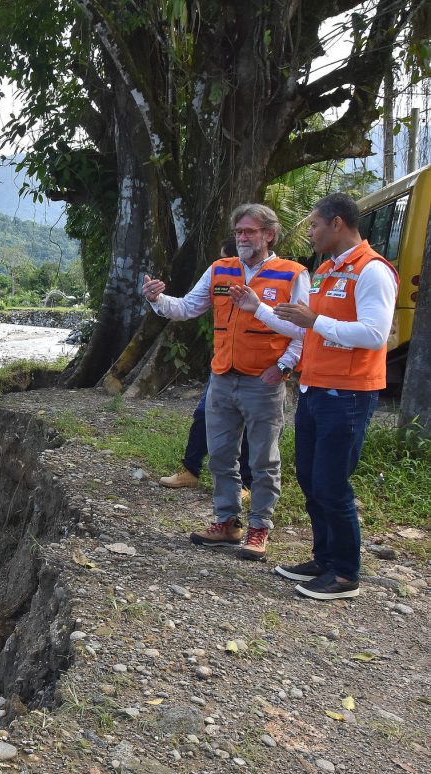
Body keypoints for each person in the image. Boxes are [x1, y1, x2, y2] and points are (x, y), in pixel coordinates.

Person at [230, 192, 397, 599]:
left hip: (349, 394)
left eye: (314, 225)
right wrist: (260, 311)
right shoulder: (325, 270)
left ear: (337, 223)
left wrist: (315, 319)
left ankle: (344, 575)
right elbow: (305, 329)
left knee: (331, 483)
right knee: (309, 477)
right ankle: (323, 558)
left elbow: (375, 334)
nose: (309, 232)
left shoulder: (372, 271)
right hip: (315, 389)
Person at [141, 204, 309, 561]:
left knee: (263, 460)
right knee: (220, 455)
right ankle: (227, 522)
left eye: (249, 231)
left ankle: (259, 528)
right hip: (222, 377)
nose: (242, 238)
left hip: (263, 381)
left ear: (269, 235)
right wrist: (158, 299)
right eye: (238, 232)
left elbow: (303, 330)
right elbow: (187, 307)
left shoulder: (292, 275)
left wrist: (283, 366)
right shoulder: (221, 269)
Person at [160, 237, 253, 493]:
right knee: (203, 416)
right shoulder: (218, 274)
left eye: (223, 256)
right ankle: (191, 470)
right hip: (222, 367)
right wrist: (158, 299)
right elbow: (187, 306)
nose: (220, 261)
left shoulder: (279, 277)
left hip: (254, 371)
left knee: (246, 425)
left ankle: (245, 483)